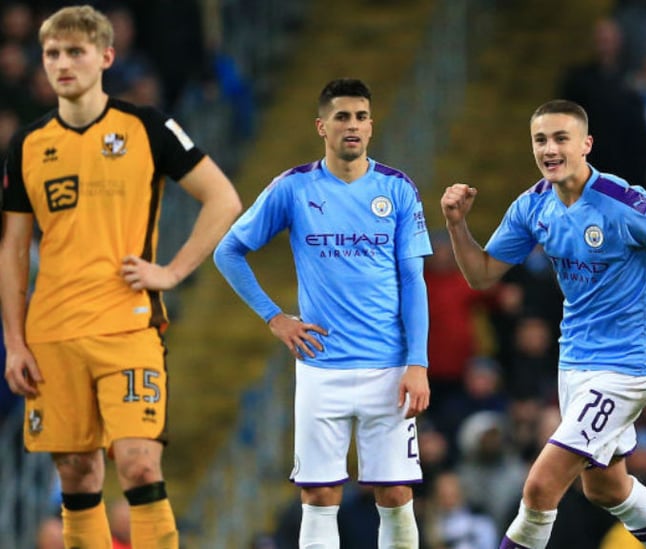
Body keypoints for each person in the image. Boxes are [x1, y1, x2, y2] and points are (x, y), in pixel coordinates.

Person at [0, 6, 241, 548]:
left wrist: (173, 271)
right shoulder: (29, 145)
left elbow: (223, 199)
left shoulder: (145, 126)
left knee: (137, 464)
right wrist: (14, 341)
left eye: (75, 52)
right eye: (53, 54)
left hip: (127, 326)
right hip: (53, 332)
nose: (62, 64)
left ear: (106, 57)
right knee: (77, 476)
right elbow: (13, 249)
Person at [440, 99, 646, 549]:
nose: (549, 149)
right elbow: (484, 273)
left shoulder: (625, 203)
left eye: (560, 138)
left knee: (540, 487)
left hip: (625, 370)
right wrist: (457, 225)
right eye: (541, 140)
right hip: (575, 366)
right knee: (605, 488)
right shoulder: (533, 206)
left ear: (586, 144)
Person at [213, 77, 432, 548]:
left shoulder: (397, 190)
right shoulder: (293, 188)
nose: (351, 126)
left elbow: (414, 282)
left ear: (371, 126)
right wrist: (275, 317)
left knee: (394, 491)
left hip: (389, 366)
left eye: (359, 117)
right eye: (341, 117)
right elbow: (228, 251)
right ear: (322, 126)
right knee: (318, 493)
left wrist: (418, 363)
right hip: (321, 365)